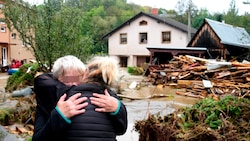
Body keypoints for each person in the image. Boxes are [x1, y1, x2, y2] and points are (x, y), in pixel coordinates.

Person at [66, 56, 128, 141]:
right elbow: (121, 130)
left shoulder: (68, 95)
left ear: (86, 72)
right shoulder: (113, 100)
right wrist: (118, 108)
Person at [32, 55, 89, 141]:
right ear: (57, 79)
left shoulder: (91, 94)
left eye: (77, 79)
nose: (74, 84)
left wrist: (116, 108)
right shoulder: (46, 100)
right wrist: (59, 116)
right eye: (68, 80)